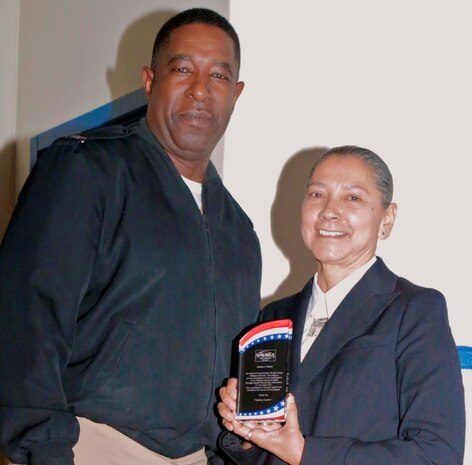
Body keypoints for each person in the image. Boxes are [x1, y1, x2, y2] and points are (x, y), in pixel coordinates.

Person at [0, 8, 261, 465]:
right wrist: (44, 452)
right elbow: (27, 327)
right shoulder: (86, 172)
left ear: (236, 94)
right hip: (94, 447)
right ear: (149, 80)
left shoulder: (239, 230)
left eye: (218, 75)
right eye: (183, 69)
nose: (200, 90)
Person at [218, 146, 465, 465]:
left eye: (353, 198)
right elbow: (266, 453)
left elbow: (438, 454)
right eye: (317, 194)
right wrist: (247, 434)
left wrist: (306, 453)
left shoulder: (415, 310)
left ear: (387, 218)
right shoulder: (274, 317)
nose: (329, 211)